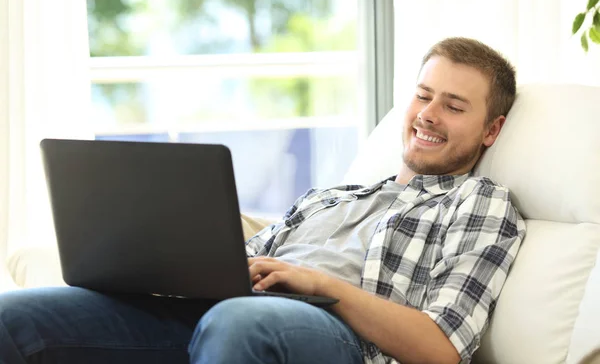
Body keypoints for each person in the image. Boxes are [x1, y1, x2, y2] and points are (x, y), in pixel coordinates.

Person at [0, 37, 525, 364]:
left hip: (335, 338)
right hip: (223, 312)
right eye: (424, 94)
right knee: (13, 318)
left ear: (491, 130)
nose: (429, 113)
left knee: (236, 326)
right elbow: (246, 265)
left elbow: (442, 348)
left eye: (454, 105)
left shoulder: (481, 202)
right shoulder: (333, 196)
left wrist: (321, 285)